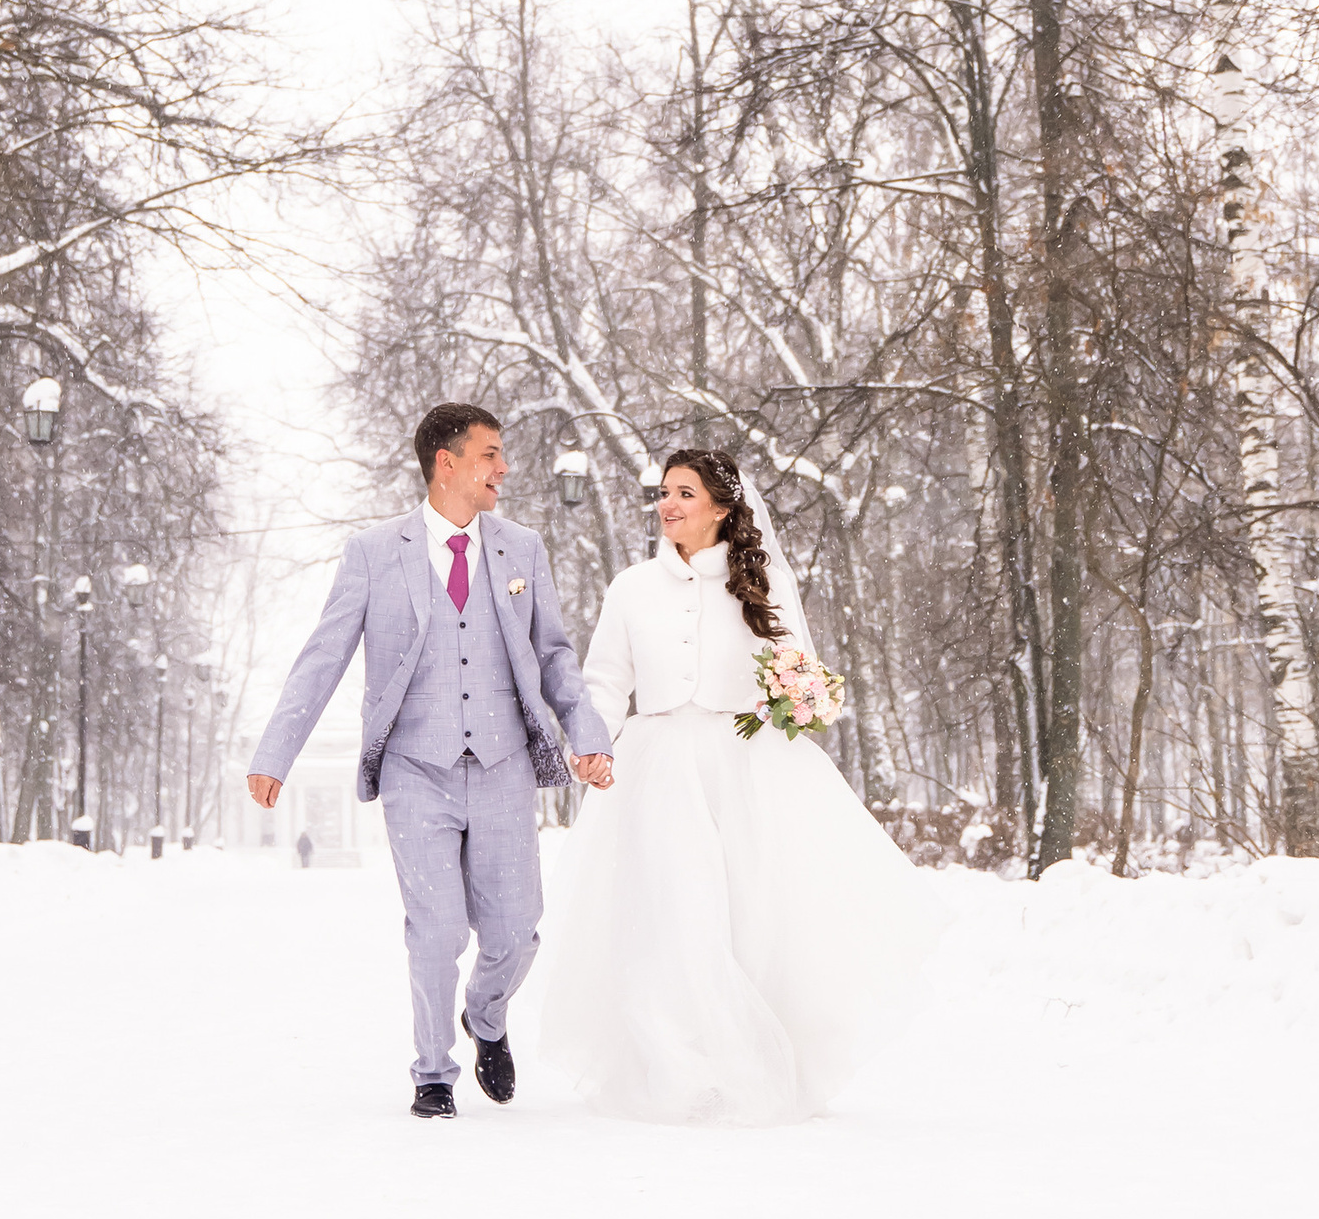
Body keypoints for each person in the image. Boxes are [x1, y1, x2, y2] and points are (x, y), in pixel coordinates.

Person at [537, 448, 933, 1122]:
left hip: (745, 764)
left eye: (684, 493)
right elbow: (606, 679)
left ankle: (753, 1060)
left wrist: (798, 698)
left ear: (721, 507)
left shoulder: (762, 584)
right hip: (658, 766)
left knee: (747, 913)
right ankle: (677, 1066)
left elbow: (797, 672)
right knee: (673, 911)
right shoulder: (631, 587)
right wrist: (593, 740)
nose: (668, 505)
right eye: (664, 492)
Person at [247, 403, 614, 1116]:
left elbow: (555, 657)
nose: (503, 468)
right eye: (490, 454)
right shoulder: (373, 553)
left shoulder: (521, 549)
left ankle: (486, 1015)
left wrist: (587, 733)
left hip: (505, 761)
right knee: (438, 927)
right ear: (446, 462)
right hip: (416, 767)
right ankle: (433, 1071)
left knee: (516, 929)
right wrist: (275, 752)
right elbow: (323, 656)